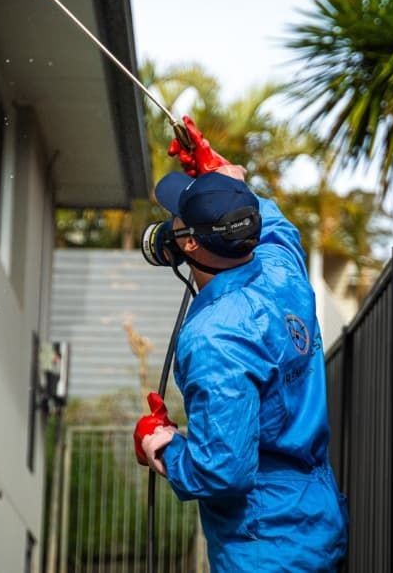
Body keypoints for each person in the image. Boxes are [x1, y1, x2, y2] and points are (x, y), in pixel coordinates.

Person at [133, 117, 348, 572]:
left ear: (187, 242)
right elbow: (273, 221)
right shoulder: (280, 268)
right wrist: (217, 172)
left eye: (177, 217)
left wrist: (162, 446)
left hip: (264, 545)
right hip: (315, 521)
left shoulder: (216, 337)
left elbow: (223, 472)